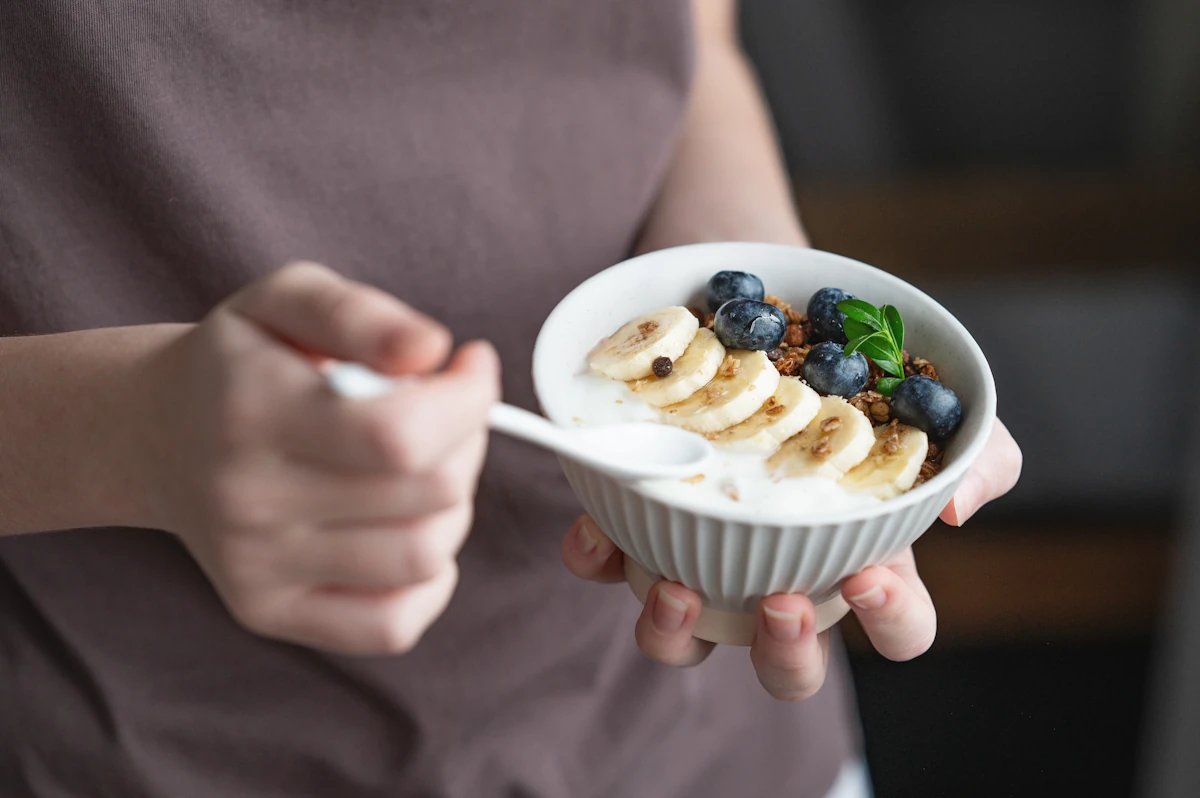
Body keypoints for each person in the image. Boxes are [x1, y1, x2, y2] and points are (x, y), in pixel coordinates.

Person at [0, 1, 1021, 796]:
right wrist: (130, 428)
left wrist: (750, 308)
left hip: (704, 737)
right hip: (152, 744)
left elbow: (695, 53)